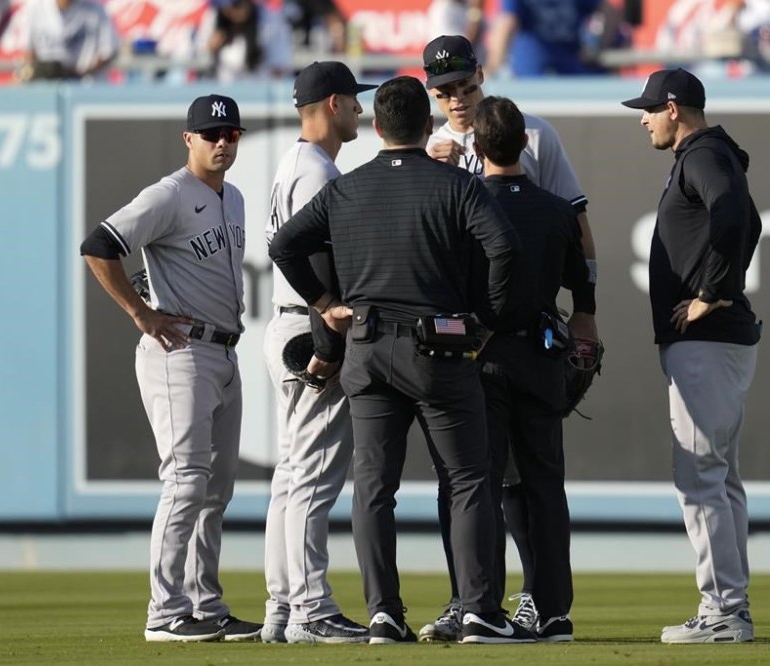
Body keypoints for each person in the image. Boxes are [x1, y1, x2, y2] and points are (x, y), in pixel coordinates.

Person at [269, 75, 536, 645]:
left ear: (376, 125)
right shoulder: (453, 185)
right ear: (424, 124)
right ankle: (478, 612)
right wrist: (485, 320)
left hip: (366, 349)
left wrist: (325, 304)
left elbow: (284, 245)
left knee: (373, 487)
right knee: (466, 479)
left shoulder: (346, 188)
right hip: (438, 349)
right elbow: (505, 246)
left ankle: (384, 615)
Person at [419, 33, 598, 642]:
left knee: (510, 479)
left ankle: (517, 604)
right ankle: (478, 601)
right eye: (445, 91)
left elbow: (577, 231)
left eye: (466, 86)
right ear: (430, 93)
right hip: (471, 341)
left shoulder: (533, 132)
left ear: (482, 77)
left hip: (514, 335)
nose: (458, 99)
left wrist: (584, 315)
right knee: (479, 481)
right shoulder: (428, 149)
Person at [80, 94, 262, 643]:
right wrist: (140, 311)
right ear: (189, 139)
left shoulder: (234, 199)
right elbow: (99, 245)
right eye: (212, 134)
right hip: (179, 352)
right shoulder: (170, 193)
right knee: (185, 483)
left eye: (231, 133)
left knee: (216, 491)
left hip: (225, 351)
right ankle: (165, 611)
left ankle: (206, 604)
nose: (223, 142)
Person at [621, 68, 762, 644]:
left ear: (674, 108)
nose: (644, 120)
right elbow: (746, 221)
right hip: (719, 340)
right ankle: (732, 605)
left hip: (708, 339)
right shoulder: (712, 153)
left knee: (700, 477)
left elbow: (733, 214)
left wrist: (710, 293)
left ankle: (723, 611)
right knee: (719, 478)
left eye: (650, 110)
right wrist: (721, 287)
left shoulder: (702, 153)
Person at [470, 95, 597, 642]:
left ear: (477, 147)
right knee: (545, 485)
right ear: (526, 143)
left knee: (483, 482)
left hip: (484, 358)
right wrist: (586, 321)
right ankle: (554, 612)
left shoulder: (467, 202)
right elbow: (582, 278)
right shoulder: (555, 209)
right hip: (544, 355)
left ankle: (483, 607)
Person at [260, 61, 377, 645]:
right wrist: (328, 332)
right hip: (308, 330)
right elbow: (313, 260)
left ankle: (282, 606)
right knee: (311, 476)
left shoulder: (293, 163)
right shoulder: (316, 170)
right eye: (355, 100)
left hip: (286, 323)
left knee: (291, 474)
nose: (361, 109)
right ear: (333, 103)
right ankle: (310, 608)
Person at [483, 0, 608, 77]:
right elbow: (507, 22)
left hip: (567, 67)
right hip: (535, 67)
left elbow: (507, 23)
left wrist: (492, 68)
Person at [19, 0, 119, 81]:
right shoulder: (36, 7)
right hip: (46, 86)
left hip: (85, 86)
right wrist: (35, 73)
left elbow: (108, 51)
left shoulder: (95, 9)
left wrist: (78, 74)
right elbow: (30, 52)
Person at [195, 0, 293, 83]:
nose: (232, 12)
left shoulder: (270, 20)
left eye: (237, 5)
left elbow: (281, 64)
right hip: (221, 86)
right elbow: (196, 54)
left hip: (258, 86)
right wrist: (210, 47)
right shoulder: (214, 17)